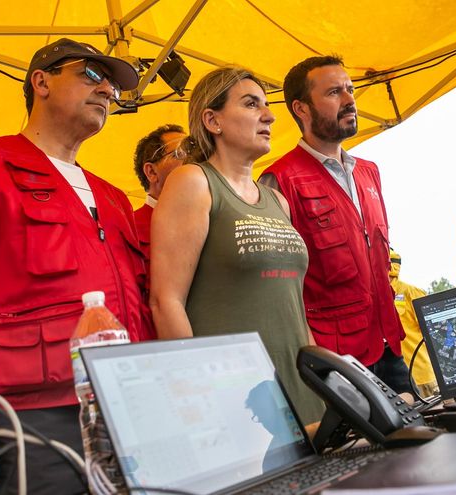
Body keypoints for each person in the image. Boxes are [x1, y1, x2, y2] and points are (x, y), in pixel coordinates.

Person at [0, 38, 152, 494]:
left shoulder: (115, 196)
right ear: (41, 81)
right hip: (29, 420)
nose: (106, 91)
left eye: (113, 87)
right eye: (92, 74)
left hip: (127, 407)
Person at [150, 67, 325, 425]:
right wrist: (200, 396)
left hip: (304, 388)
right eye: (250, 104)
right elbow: (166, 301)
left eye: (266, 105)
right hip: (240, 401)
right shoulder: (193, 182)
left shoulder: (277, 200)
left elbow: (293, 305)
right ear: (212, 120)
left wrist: (324, 376)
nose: (270, 115)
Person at [259, 56, 410, 395]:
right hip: (338, 361)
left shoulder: (369, 172)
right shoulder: (279, 180)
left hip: (390, 346)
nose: (349, 100)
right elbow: (281, 290)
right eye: (333, 93)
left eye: (350, 89)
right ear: (301, 108)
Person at [132, 124, 188, 260]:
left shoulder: (213, 222)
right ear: (151, 172)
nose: (194, 160)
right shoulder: (130, 230)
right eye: (180, 154)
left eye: (195, 152)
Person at [388, 250, 438, 398]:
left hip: (422, 377)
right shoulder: (370, 296)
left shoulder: (411, 293)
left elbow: (435, 334)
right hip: (393, 382)